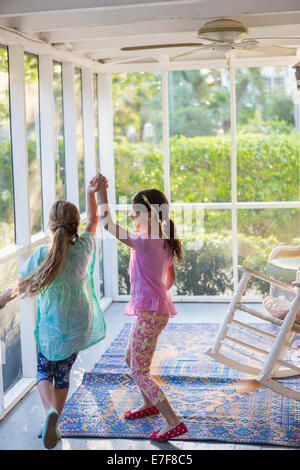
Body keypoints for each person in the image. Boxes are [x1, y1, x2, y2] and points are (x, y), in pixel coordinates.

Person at [0, 179, 106, 449]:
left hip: (53, 327)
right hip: (79, 324)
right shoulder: (84, 248)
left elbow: (20, 285)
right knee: (64, 373)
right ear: (76, 225)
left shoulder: (42, 256)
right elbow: (95, 217)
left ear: (50, 225)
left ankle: (49, 411)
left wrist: (1, 300)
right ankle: (55, 423)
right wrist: (92, 191)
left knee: (43, 371)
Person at [93, 173, 188, 442]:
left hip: (150, 314)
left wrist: (101, 191)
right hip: (154, 311)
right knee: (130, 358)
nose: (132, 218)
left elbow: (108, 224)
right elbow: (170, 278)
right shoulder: (164, 240)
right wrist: (157, 296)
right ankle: (149, 403)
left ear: (150, 214)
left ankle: (173, 421)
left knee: (139, 370)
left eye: (136, 213)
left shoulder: (144, 241)